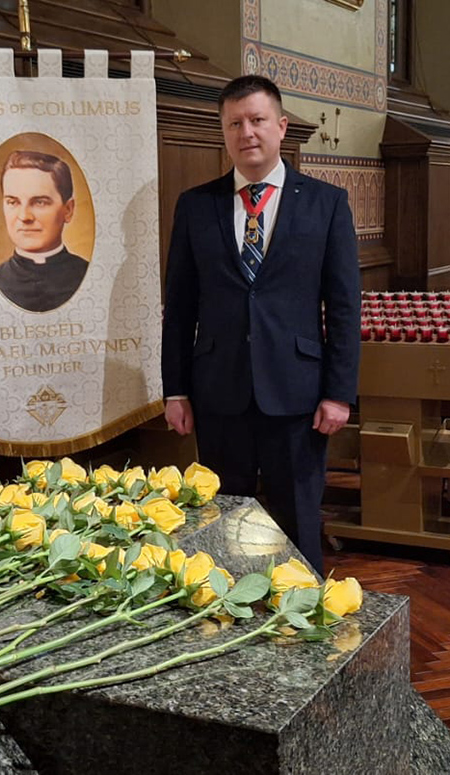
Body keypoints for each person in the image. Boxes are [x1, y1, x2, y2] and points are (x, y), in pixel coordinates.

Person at [161, 75, 360, 574]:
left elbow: (343, 307)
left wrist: (339, 393)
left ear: (281, 126)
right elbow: (180, 306)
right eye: (234, 123)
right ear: (223, 132)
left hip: (297, 394)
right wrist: (175, 389)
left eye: (257, 120)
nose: (246, 132)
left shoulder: (326, 203)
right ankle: (225, 608)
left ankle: (305, 604)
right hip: (218, 391)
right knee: (222, 518)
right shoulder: (196, 205)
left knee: (297, 515)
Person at [0, 150, 89, 312]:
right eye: (13, 202)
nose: (24, 217)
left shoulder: (88, 276)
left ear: (68, 210)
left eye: (40, 202)